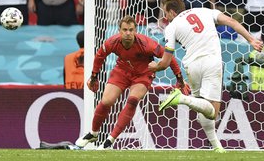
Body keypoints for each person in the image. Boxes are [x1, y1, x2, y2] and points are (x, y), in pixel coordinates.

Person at [148, 0, 263, 153]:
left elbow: (165, 62)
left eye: (165, 13)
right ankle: (182, 99)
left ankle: (217, 147)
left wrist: (155, 67)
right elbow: (233, 22)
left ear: (172, 12)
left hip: (191, 65)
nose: (165, 17)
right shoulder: (204, 11)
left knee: (202, 108)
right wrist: (251, 40)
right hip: (211, 62)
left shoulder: (171, 27)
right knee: (212, 112)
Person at [75, 15, 189, 150]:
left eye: (131, 30)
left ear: (135, 30)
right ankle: (93, 133)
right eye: (125, 30)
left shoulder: (146, 44)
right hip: (122, 71)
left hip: (143, 74)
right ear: (119, 31)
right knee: (106, 101)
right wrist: (94, 76)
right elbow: (100, 56)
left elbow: (170, 58)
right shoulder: (112, 42)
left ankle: (110, 140)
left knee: (132, 100)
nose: (128, 33)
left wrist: (180, 79)